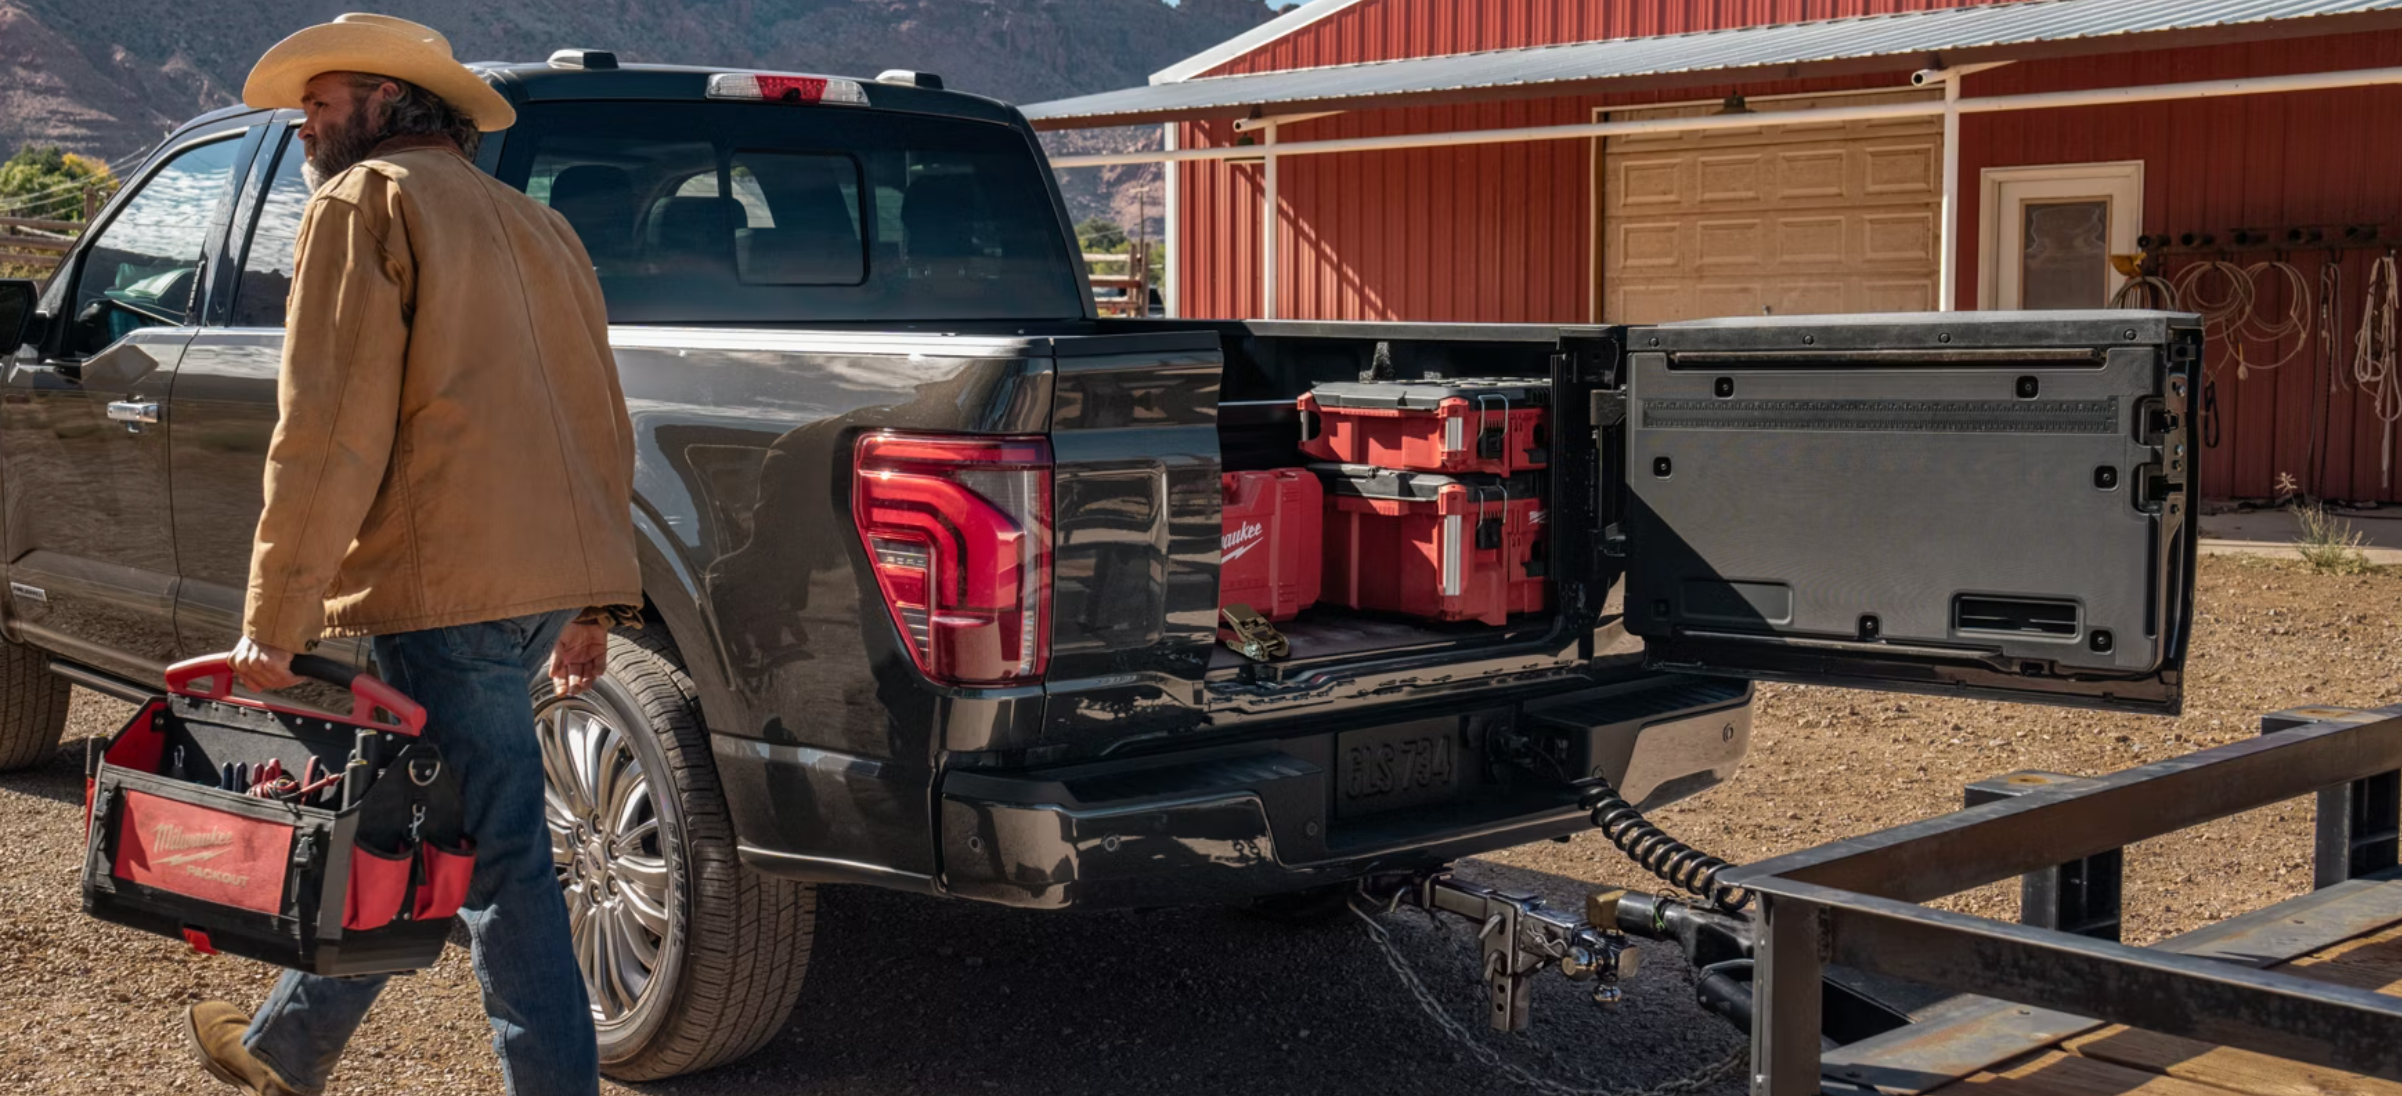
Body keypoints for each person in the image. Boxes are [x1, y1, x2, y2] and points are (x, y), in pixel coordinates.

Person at [182, 14, 640, 1096]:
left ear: (389, 104)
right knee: (417, 818)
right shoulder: (538, 226)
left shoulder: (362, 200)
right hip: (528, 589)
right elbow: (597, 418)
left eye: (324, 99)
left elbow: (329, 428)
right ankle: (285, 1048)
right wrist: (589, 602)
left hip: (446, 591)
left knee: (501, 862)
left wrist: (274, 617)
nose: (304, 121)